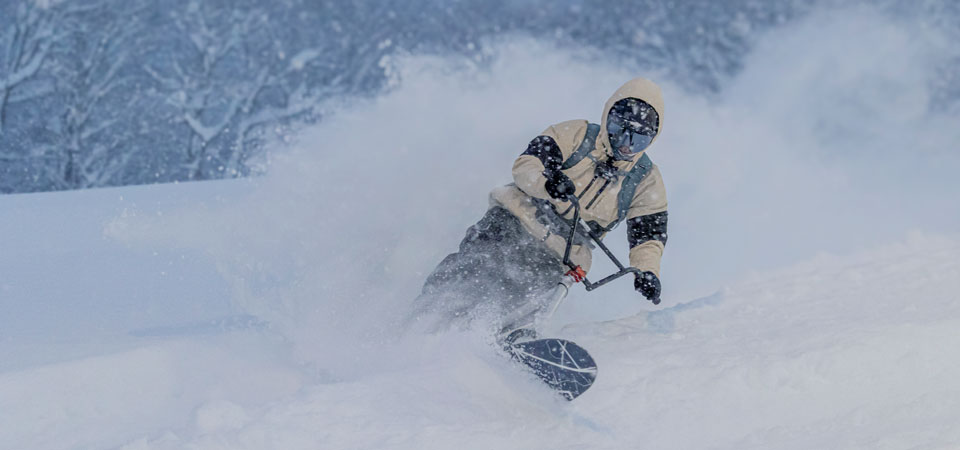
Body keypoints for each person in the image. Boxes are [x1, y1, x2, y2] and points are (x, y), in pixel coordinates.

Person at [409, 77, 668, 339]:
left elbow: (648, 236)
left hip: (559, 252)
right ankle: (421, 323)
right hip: (514, 220)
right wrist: (548, 183)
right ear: (607, 117)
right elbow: (527, 164)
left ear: (651, 140)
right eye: (618, 130)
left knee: (525, 299)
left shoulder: (645, 179)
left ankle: (500, 343)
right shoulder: (576, 135)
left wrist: (647, 271)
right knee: (471, 270)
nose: (625, 144)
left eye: (638, 139)